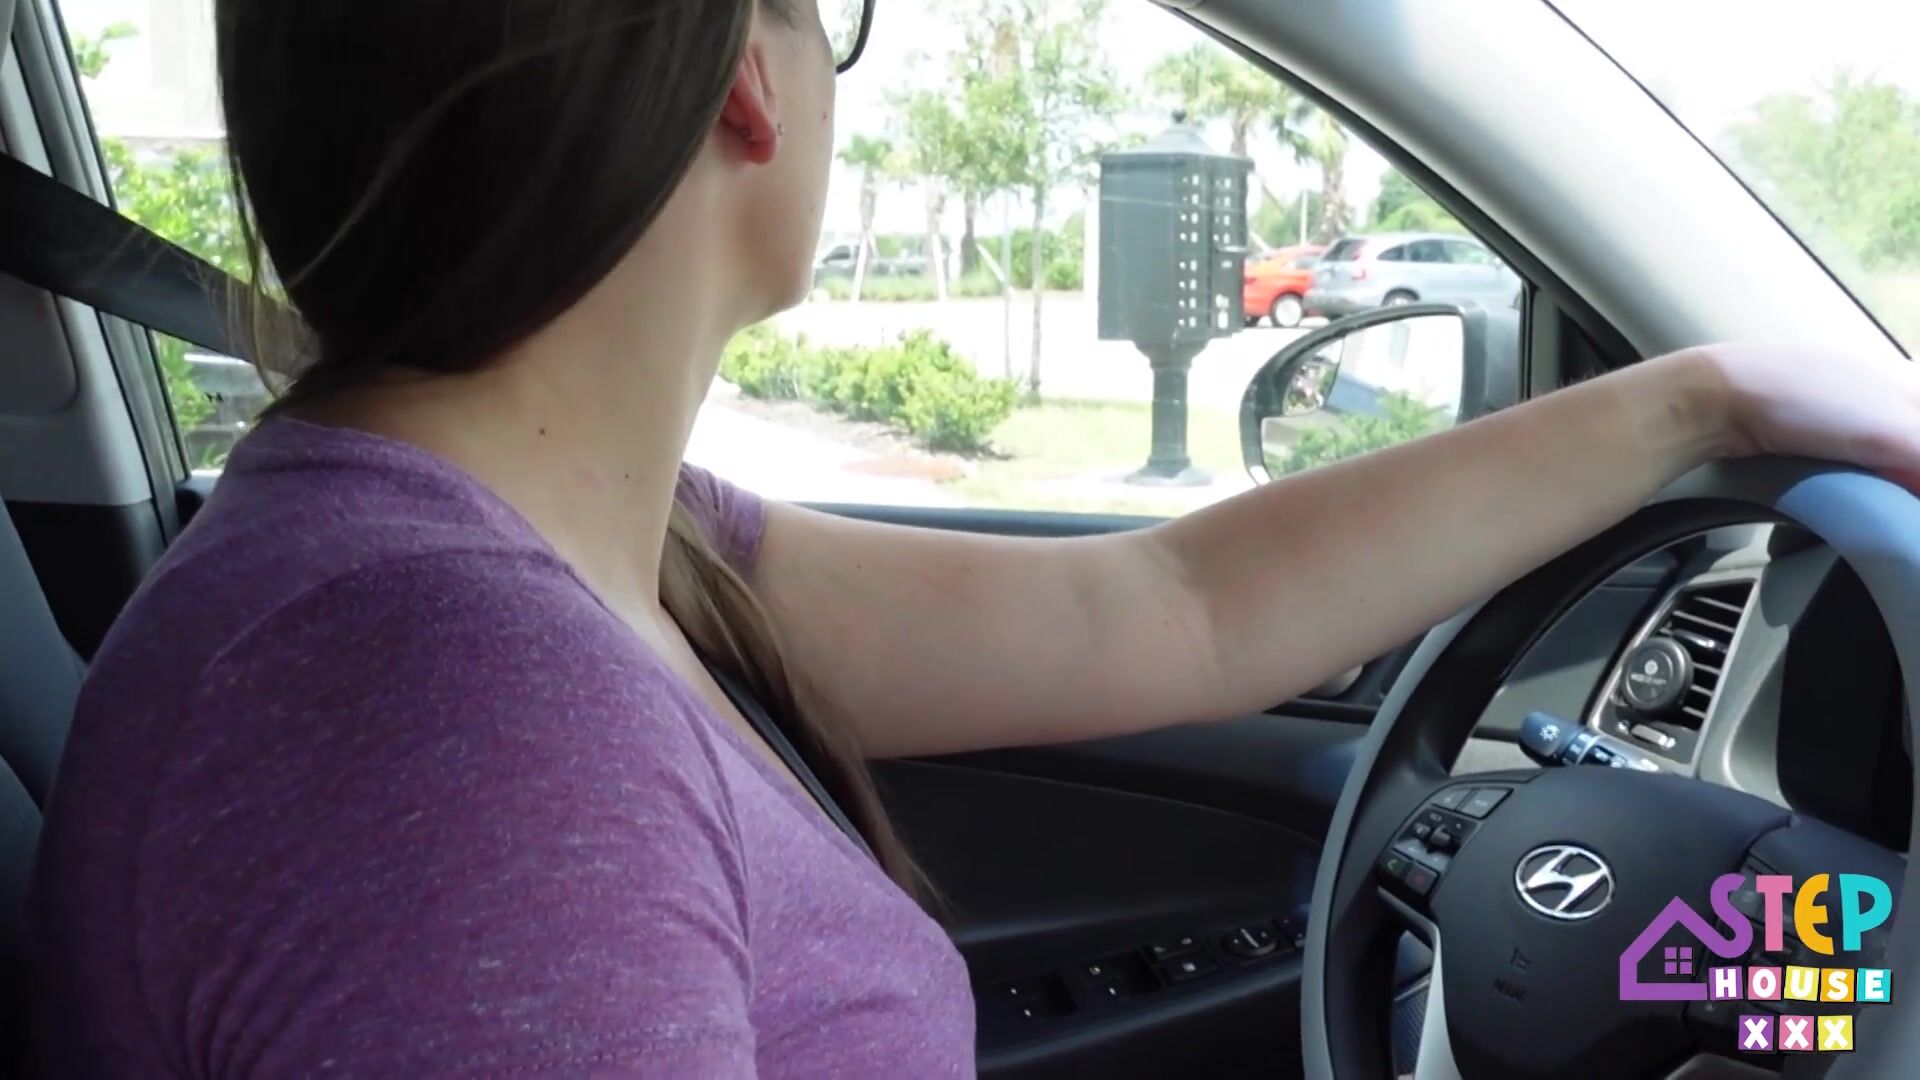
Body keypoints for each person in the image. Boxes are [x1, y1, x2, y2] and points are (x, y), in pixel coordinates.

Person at [29, 0, 1920, 1075]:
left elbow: (1166, 605)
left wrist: (1697, 401)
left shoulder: (580, 549)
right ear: (745, 75)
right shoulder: (456, 707)